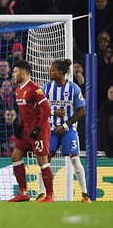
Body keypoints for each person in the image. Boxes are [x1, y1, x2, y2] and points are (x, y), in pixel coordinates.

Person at [39, 59, 90, 202]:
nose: (50, 72)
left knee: (74, 158)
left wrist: (66, 125)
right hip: (51, 129)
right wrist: (54, 112)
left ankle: (85, 195)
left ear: (61, 72)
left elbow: (82, 111)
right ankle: (43, 194)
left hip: (68, 129)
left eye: (53, 70)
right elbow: (40, 108)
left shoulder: (73, 88)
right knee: (45, 158)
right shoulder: (46, 88)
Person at [8, 59, 55, 203]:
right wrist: (20, 126)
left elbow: (47, 109)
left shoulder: (34, 88)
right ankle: (23, 192)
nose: (13, 75)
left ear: (23, 72)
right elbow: (24, 112)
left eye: (15, 72)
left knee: (42, 161)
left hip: (38, 129)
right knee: (15, 157)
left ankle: (49, 196)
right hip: (26, 130)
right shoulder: (18, 90)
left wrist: (38, 128)